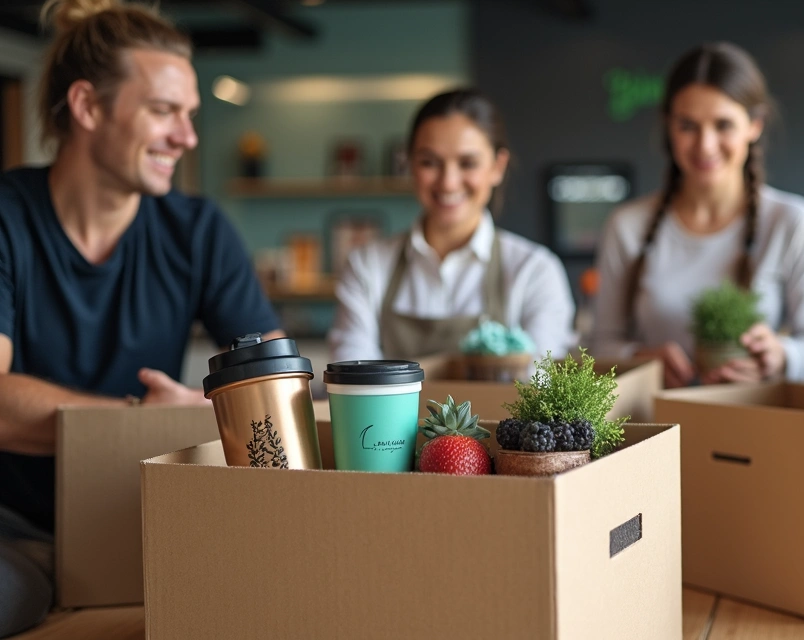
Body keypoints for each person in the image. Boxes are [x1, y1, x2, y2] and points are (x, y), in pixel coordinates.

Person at [0, 0, 283, 635]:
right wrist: (138, 423)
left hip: (146, 516)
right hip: (12, 530)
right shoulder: (6, 218)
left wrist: (204, 413)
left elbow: (276, 385)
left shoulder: (198, 230)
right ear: (88, 107)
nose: (186, 138)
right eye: (163, 111)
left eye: (189, 115)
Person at [591, 42, 804, 388]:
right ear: (668, 127)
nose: (705, 145)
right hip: (652, 426)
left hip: (753, 426)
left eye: (723, 125)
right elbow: (600, 344)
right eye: (688, 126)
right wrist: (638, 359)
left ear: (755, 125)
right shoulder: (627, 225)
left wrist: (779, 357)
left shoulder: (793, 222)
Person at [328, 89, 577, 363]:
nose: (448, 182)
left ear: (497, 167)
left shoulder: (534, 271)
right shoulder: (368, 265)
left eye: (467, 163)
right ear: (409, 164)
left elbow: (538, 380)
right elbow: (351, 373)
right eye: (429, 162)